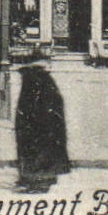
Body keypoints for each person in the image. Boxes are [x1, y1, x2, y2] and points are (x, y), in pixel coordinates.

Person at [13, 48, 70, 193]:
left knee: (35, 150)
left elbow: (33, 103)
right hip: (45, 122)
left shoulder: (33, 78)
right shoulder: (41, 78)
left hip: (37, 122)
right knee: (42, 150)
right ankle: (39, 179)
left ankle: (38, 182)